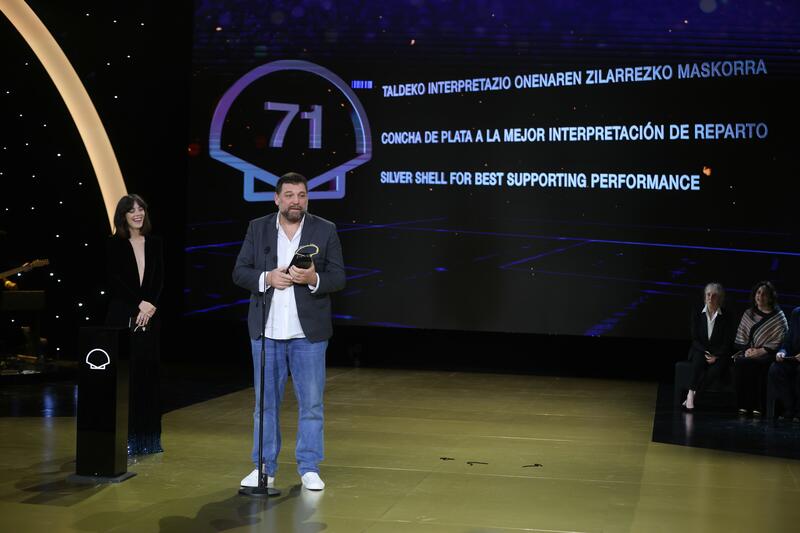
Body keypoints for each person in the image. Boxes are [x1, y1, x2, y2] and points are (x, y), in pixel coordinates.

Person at [232, 172, 345, 491]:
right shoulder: (258, 228)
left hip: (308, 335)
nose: (296, 201)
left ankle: (309, 467)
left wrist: (313, 279)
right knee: (265, 406)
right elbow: (240, 272)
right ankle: (264, 467)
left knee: (311, 405)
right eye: (290, 195)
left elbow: (338, 277)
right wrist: (267, 278)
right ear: (277, 199)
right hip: (266, 333)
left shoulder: (325, 229)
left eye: (302, 195)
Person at [105, 194, 164, 455]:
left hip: (149, 316)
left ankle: (148, 439)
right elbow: (114, 281)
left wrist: (149, 305)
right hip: (122, 315)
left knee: (147, 376)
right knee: (124, 378)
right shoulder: (113, 244)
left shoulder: (155, 243)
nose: (138, 214)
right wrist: (139, 303)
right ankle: (124, 438)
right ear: (123, 216)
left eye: (141, 209)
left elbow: (159, 278)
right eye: (132, 210)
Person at [731, 281, 788, 416]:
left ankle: (758, 406)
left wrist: (762, 351)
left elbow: (781, 340)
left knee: (759, 365)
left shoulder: (778, 316)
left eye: (764, 294)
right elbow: (741, 336)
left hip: (769, 353)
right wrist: (747, 350)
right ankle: (743, 405)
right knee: (741, 362)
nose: (760, 296)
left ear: (770, 297)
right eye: (758, 293)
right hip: (750, 351)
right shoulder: (748, 313)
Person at [682, 283, 733, 411]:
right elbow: (695, 339)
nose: (710, 298)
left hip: (719, 354)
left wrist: (716, 356)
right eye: (708, 294)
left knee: (715, 371)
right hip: (700, 349)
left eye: (714, 295)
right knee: (698, 360)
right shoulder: (697, 312)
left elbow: (727, 342)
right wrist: (705, 352)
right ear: (705, 297)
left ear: (720, 298)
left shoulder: (727, 316)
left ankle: (693, 395)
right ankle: (690, 392)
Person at [767, 306, 800, 420]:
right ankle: (790, 408)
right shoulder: (797, 313)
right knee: (776, 369)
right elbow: (788, 341)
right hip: (794, 359)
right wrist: (782, 352)